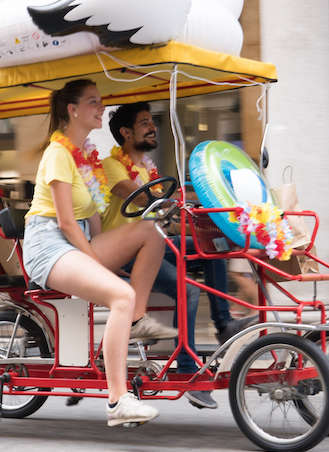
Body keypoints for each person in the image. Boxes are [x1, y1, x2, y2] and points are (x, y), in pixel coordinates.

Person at [22, 80, 175, 427]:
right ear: (73, 110)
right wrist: (98, 265)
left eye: (100, 101)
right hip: (48, 245)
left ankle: (136, 319)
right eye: (93, 102)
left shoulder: (85, 158)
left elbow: (92, 221)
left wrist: (107, 258)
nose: (100, 108)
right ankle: (118, 400)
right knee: (121, 294)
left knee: (151, 230)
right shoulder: (58, 153)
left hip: (76, 242)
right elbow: (65, 222)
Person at [101, 102, 253, 410]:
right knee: (188, 290)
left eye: (152, 121)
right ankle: (187, 371)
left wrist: (201, 207)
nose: (152, 127)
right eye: (145, 123)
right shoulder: (109, 165)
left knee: (213, 245)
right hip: (124, 254)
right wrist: (179, 203)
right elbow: (144, 198)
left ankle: (223, 322)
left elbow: (167, 207)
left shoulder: (148, 168)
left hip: (154, 244)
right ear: (126, 133)